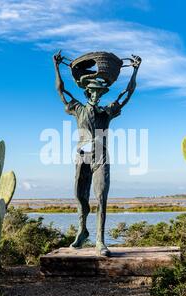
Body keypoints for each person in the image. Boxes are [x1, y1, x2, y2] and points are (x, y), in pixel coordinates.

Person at [53, 51, 141, 256]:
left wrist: (135, 71)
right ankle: (82, 231)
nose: (96, 94)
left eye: (99, 92)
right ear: (87, 93)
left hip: (101, 156)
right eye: (92, 92)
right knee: (79, 196)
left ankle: (100, 241)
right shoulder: (77, 109)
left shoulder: (106, 112)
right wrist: (56, 67)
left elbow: (127, 94)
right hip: (82, 155)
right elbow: (61, 90)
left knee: (101, 198)